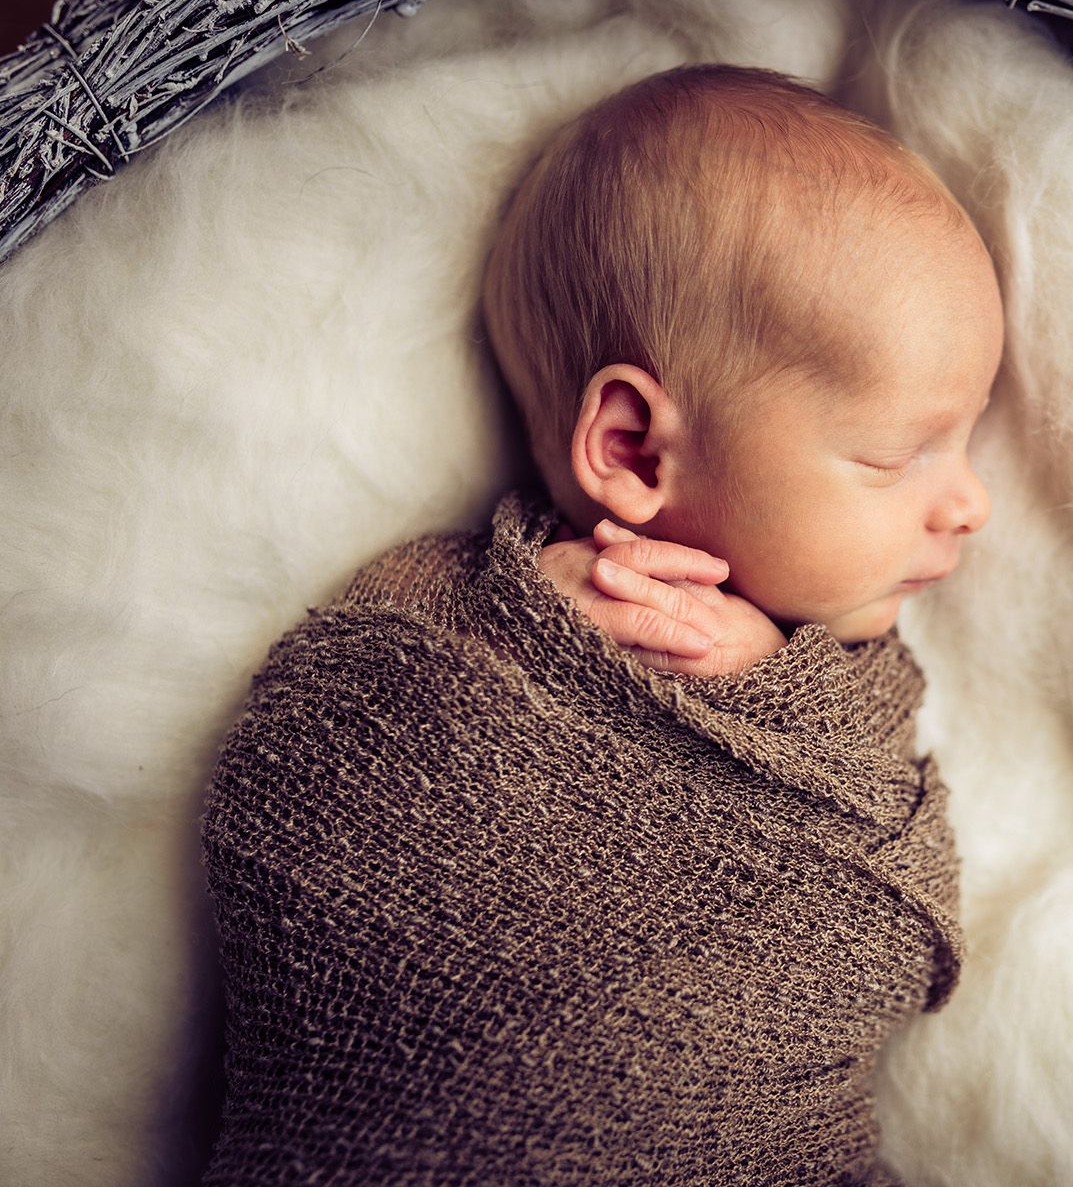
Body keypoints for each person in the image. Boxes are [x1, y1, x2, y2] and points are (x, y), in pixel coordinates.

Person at [198, 62, 1003, 1186]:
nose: (969, 504)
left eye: (964, 441)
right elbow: (296, 785)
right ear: (632, 449)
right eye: (894, 456)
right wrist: (520, 638)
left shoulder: (848, 688)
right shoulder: (447, 616)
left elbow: (896, 918)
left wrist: (778, 683)